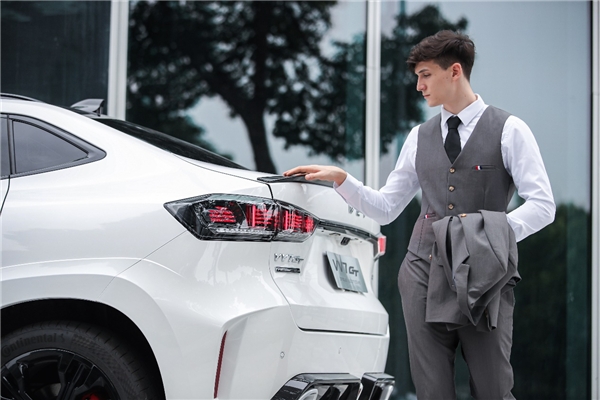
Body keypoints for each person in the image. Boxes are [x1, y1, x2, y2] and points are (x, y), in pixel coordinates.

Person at [283, 30, 555, 399]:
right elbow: (386, 208)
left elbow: (542, 205)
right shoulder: (418, 137)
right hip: (422, 274)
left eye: (426, 75)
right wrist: (342, 179)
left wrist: (489, 236)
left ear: (454, 71)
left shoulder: (509, 130)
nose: (418, 86)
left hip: (485, 278)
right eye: (417, 77)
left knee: (494, 389)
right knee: (431, 393)